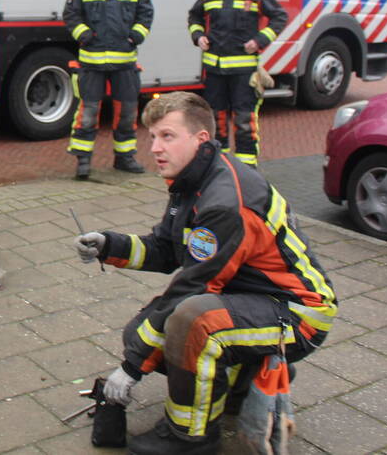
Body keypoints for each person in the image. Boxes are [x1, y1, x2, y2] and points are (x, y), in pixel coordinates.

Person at [75, 92, 336, 455]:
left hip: (298, 313)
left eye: (167, 136)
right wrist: (109, 245)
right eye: (152, 136)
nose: (154, 147)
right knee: (144, 331)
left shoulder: (224, 200)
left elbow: (191, 287)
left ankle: (190, 437)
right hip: (256, 296)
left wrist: (131, 369)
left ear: (200, 139)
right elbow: (167, 249)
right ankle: (241, 380)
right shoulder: (194, 179)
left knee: (191, 322)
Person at [63, 0, 154, 179]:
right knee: (88, 113)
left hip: (125, 63)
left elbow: (146, 14)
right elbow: (71, 15)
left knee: (126, 113)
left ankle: (124, 158)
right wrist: (85, 36)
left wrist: (135, 37)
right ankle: (83, 161)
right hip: (91, 63)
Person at [187, 0, 287, 166]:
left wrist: (260, 40)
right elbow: (194, 16)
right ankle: (219, 163)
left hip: (243, 72)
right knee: (216, 117)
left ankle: (247, 166)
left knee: (244, 119)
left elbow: (279, 16)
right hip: (214, 70)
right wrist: (198, 36)